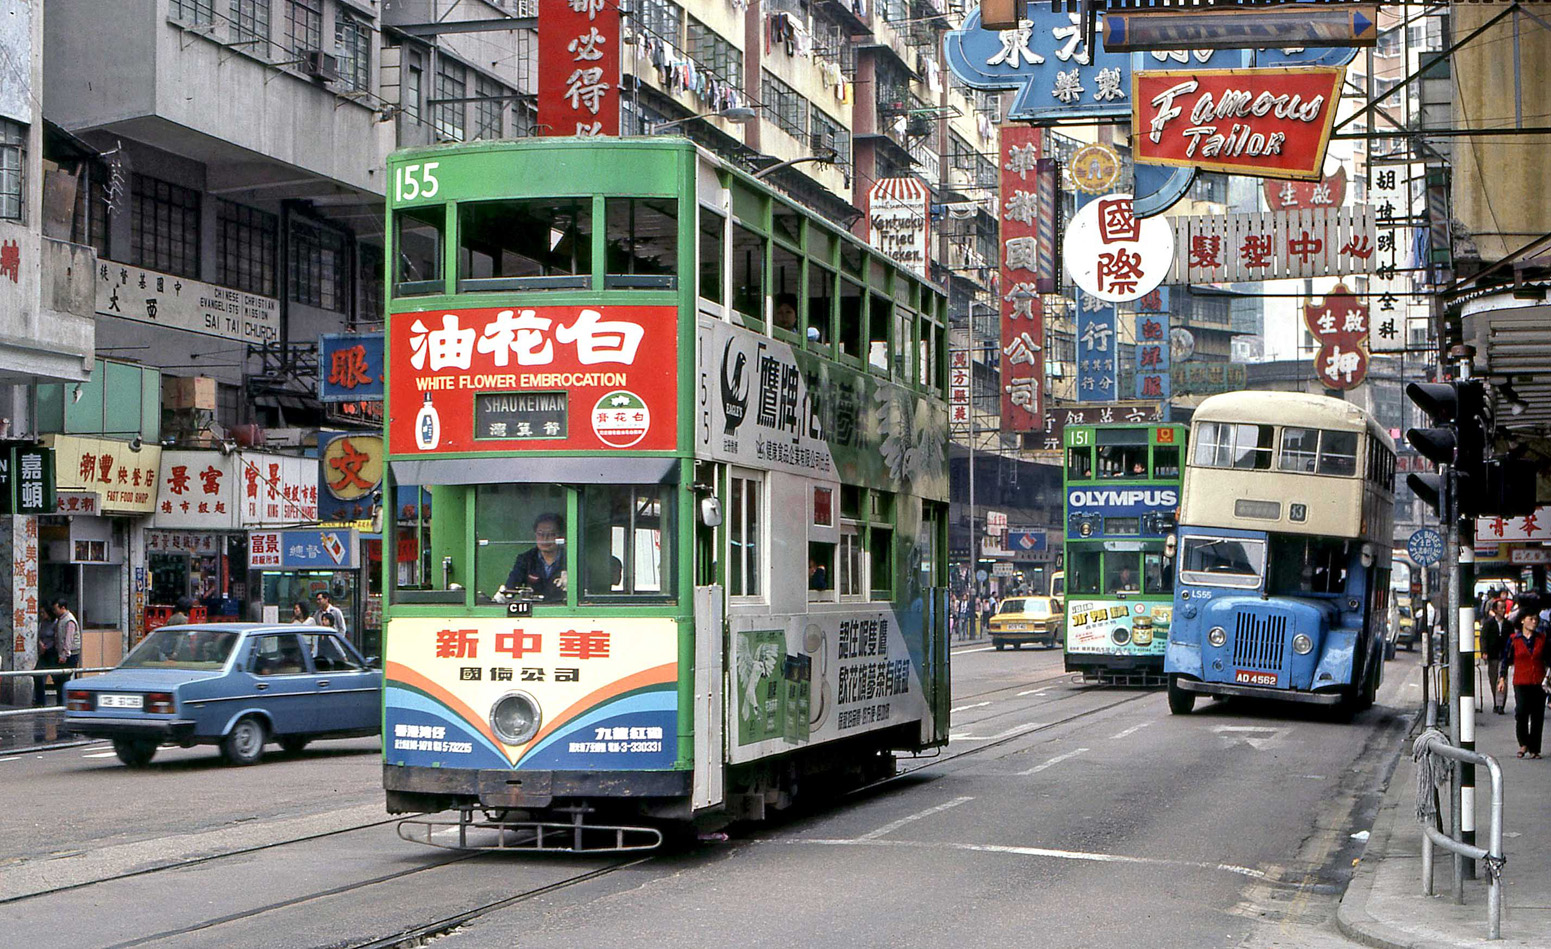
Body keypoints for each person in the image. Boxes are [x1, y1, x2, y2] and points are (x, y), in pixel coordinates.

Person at [1498, 611, 1551, 758]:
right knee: (1521, 712)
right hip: (1521, 681)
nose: (1534, 622)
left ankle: (1535, 749)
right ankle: (1523, 743)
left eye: (1536, 619)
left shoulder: (1542, 639)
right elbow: (1505, 660)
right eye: (1531, 619)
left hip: (1539, 682)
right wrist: (1502, 678)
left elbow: (1548, 659)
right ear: (1522, 621)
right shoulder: (1514, 639)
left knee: (1537, 715)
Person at [502, 513, 566, 602]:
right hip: (534, 610)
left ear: (561, 536)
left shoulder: (571, 559)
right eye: (540, 534)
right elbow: (511, 586)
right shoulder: (526, 559)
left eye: (551, 534)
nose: (545, 539)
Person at [1482, 601, 1507, 714]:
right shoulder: (1489, 623)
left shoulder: (1508, 624)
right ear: (1495, 610)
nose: (1503, 610)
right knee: (1493, 679)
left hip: (1504, 655)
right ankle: (1495, 700)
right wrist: (1484, 651)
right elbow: (1483, 638)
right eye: (1501, 608)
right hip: (1492, 655)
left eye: (1504, 607)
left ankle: (1500, 704)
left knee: (1502, 679)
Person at [50, 599, 80, 694]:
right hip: (63, 653)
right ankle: (60, 701)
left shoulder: (69, 620)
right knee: (59, 678)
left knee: (64, 678)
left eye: (56, 609)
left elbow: (68, 639)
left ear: (62, 608)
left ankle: (63, 701)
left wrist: (64, 655)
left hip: (70, 655)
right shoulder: (61, 619)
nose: (54, 612)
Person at [34, 607, 57, 707]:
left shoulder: (56, 623)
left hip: (52, 652)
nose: (42, 615)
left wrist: (47, 647)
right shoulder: (42, 624)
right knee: (37, 675)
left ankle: (61, 701)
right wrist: (40, 645)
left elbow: (57, 638)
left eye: (43, 612)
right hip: (43, 653)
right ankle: (40, 701)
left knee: (57, 678)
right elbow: (38, 636)